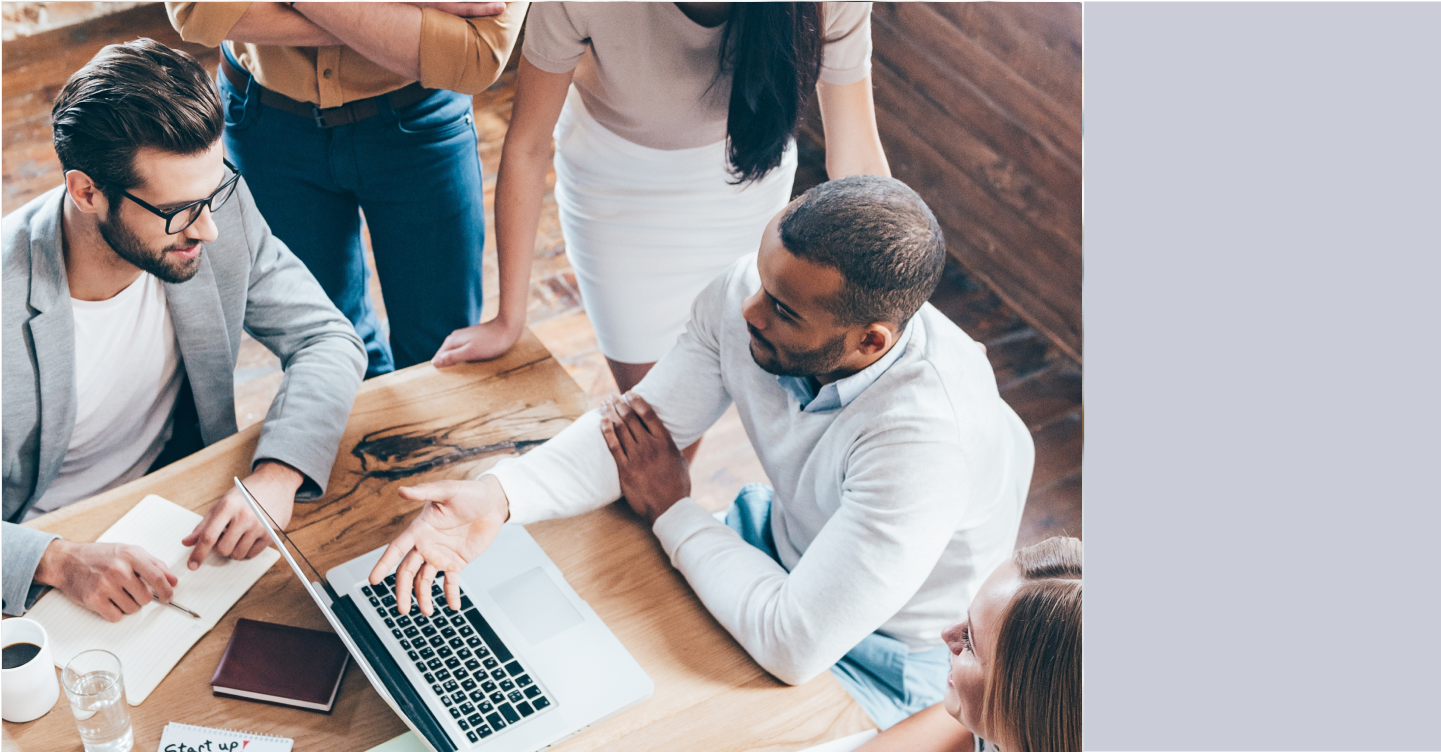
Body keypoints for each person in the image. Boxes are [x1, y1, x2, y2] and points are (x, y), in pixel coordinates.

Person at [371, 176, 1035, 729]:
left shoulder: (924, 442)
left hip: (885, 655)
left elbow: (794, 643)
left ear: (870, 342)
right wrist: (497, 495)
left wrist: (672, 510)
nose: (748, 308)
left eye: (780, 308)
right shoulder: (760, 293)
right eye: (760, 279)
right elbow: (640, 433)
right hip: (775, 554)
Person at [1, 40, 366, 622]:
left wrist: (277, 474)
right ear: (87, 192)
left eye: (214, 191)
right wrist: (57, 559)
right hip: (46, 553)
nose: (211, 231)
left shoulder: (208, 202)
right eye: (177, 212)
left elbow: (326, 336)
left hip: (182, 505)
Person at [431, 3, 891, 419]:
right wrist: (509, 319)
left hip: (747, 184)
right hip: (615, 190)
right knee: (659, 417)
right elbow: (527, 147)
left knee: (707, 392)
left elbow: (858, 161)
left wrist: (895, 310)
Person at [166, 1, 528, 378]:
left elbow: (475, 54)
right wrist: (395, 17)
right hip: (267, 122)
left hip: (420, 120)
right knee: (330, 350)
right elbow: (199, 11)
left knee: (439, 352)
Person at [851, 536, 1082, 752]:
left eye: (970, 643)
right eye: (967, 618)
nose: (947, 634)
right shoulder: (992, 720)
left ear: (1027, 703)